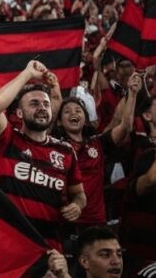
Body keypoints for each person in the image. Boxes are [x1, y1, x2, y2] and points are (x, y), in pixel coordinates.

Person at [0, 61, 86, 250]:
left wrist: (78, 205)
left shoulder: (65, 151)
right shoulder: (7, 139)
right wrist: (26, 74)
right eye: (34, 103)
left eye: (45, 104)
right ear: (20, 113)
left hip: (51, 248)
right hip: (10, 244)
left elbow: (79, 193)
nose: (41, 107)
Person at [55, 81, 134, 230]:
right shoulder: (55, 147)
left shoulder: (98, 143)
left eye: (78, 110)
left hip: (96, 221)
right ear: (59, 122)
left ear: (85, 120)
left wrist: (133, 93)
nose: (73, 113)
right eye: (67, 111)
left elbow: (126, 127)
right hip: (65, 222)